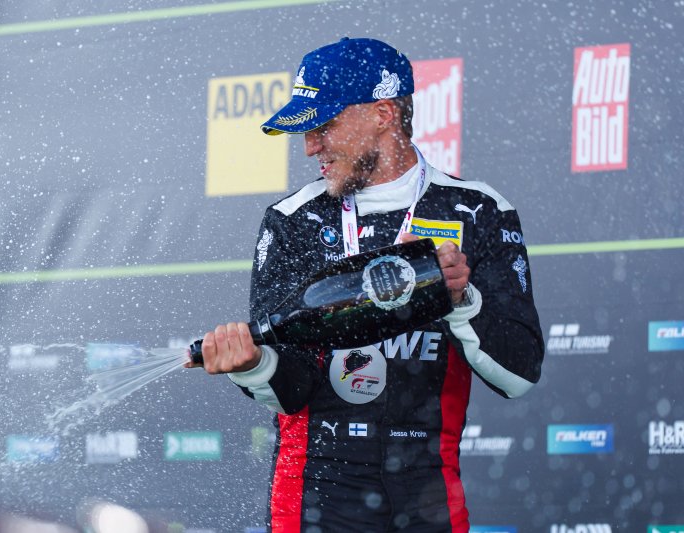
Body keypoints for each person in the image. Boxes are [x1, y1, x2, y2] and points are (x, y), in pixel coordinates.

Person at [190, 37, 544, 532]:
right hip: (317, 496)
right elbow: (293, 387)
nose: (310, 146)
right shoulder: (293, 220)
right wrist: (253, 364)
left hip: (429, 495)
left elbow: (519, 376)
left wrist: (461, 302)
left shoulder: (477, 210)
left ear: (382, 114)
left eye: (324, 126)